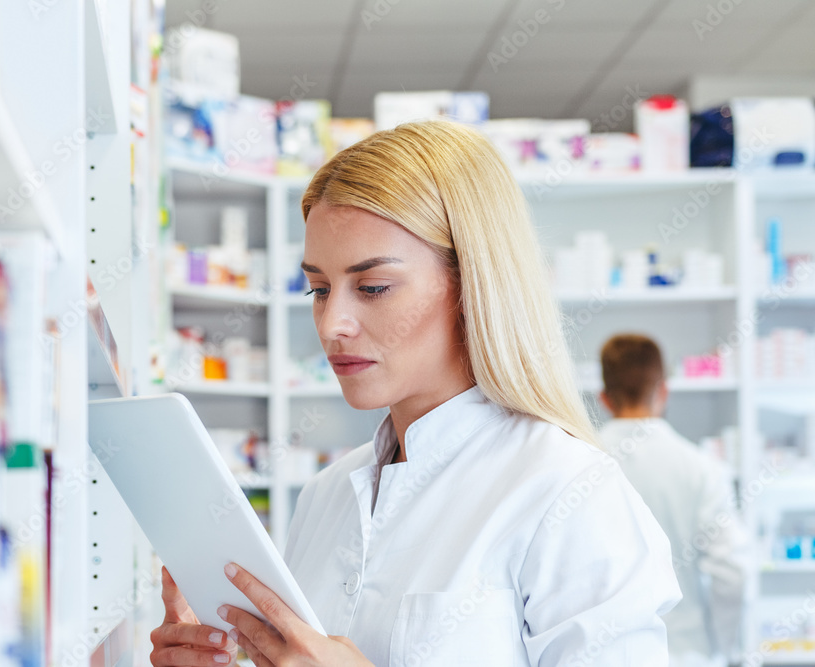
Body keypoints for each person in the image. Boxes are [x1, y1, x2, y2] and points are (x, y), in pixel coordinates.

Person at [150, 120, 681, 666]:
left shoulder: (569, 492)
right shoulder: (326, 497)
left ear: (471, 285)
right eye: (319, 289)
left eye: (373, 287)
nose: (333, 324)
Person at [597, 334, 748, 667]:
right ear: (663, 391)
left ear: (605, 398)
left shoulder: (583, 465)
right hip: (687, 653)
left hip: (606, 654)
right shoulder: (703, 468)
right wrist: (723, 647)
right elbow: (733, 572)